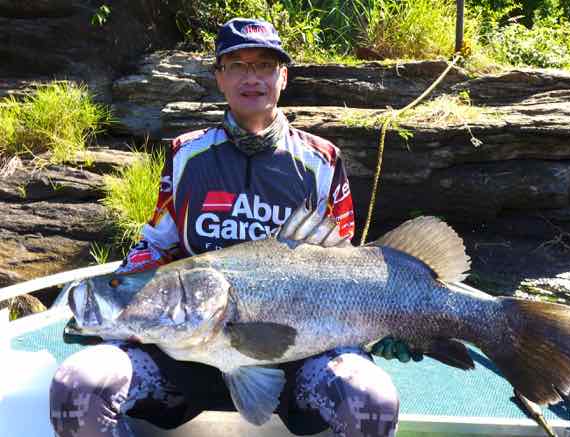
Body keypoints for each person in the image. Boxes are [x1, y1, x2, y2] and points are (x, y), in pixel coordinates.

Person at [50, 17, 410, 437]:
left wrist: (389, 323)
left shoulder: (322, 160)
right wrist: (116, 307)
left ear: (284, 76)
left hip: (300, 356)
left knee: (371, 401)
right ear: (219, 77)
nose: (251, 77)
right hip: (185, 355)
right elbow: (156, 247)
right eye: (237, 65)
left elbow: (344, 264)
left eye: (264, 66)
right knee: (78, 388)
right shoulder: (187, 154)